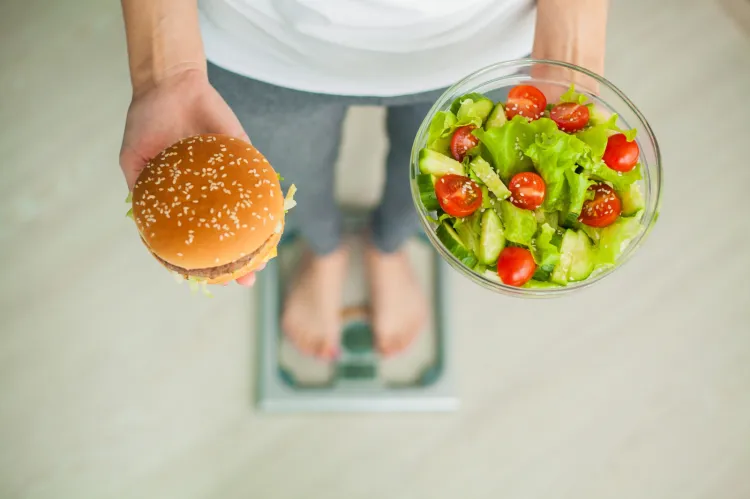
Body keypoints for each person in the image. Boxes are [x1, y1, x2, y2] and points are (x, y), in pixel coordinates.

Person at [119, 0, 608, 360]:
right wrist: (166, 72)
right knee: (290, 180)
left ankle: (389, 246)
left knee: (442, 192)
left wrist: (568, 62)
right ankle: (324, 248)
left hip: (481, 41)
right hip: (259, 40)